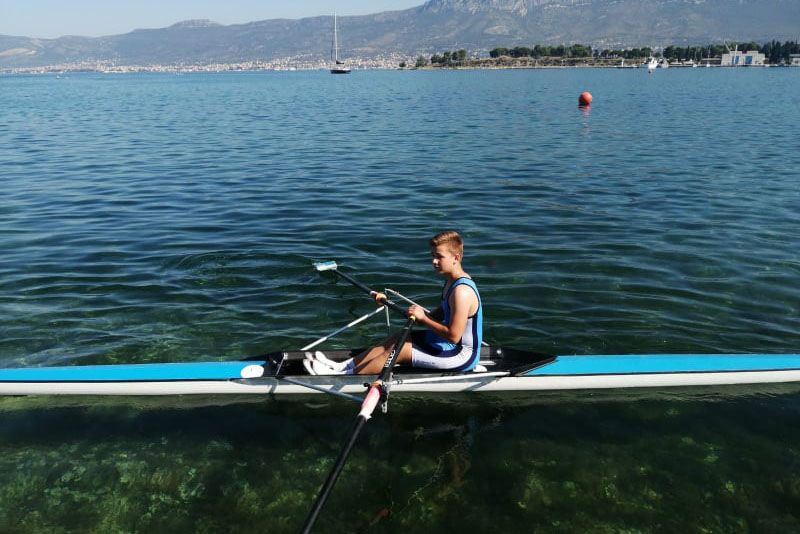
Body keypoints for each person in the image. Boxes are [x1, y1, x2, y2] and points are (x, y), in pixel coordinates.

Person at [304, 230, 482, 375]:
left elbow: (454, 336)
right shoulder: (451, 282)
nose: (433, 261)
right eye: (432, 256)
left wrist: (423, 318)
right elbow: (439, 315)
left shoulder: (462, 292)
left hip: (462, 355)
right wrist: (418, 315)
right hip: (445, 343)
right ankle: (341, 366)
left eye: (439, 257)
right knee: (398, 337)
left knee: (400, 350)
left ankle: (345, 377)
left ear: (456, 258)